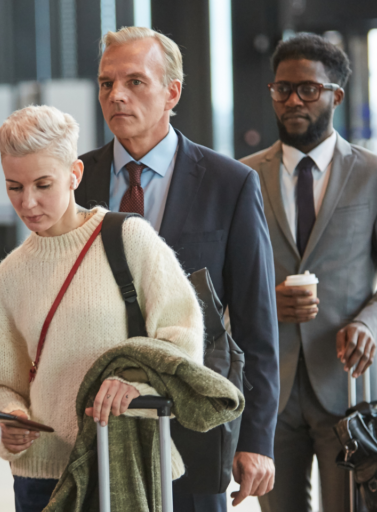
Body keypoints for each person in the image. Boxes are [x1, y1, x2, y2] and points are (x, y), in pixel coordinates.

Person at [75, 26, 279, 511]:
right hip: (97, 420)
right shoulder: (75, 182)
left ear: (173, 92)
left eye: (134, 82)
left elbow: (256, 325)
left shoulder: (231, 184)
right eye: (106, 83)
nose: (116, 95)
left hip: (193, 422)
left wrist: (257, 438)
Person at [240, 33, 377, 512]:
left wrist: (369, 324)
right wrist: (264, 300)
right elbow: (222, 279)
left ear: (335, 95)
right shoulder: (241, 177)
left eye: (307, 89)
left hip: (349, 387)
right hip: (270, 390)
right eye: (282, 89)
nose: (292, 100)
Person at [0, 105, 204, 512]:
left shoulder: (129, 240)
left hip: (128, 462)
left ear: (74, 174)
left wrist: (136, 385)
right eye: (14, 187)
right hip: (42, 480)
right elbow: (2, 382)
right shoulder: (7, 279)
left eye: (43, 184)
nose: (28, 202)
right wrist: (10, 416)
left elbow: (184, 337)